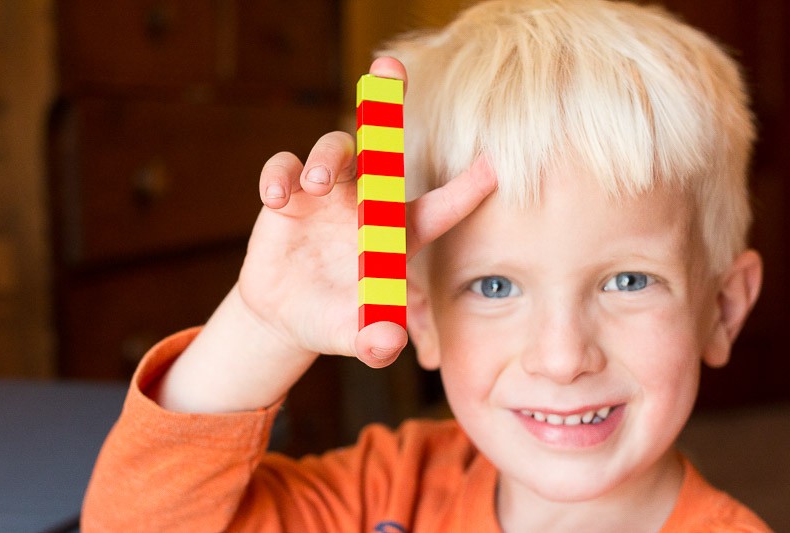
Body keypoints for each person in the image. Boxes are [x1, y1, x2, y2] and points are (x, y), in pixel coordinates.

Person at [81, 1, 772, 531]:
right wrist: (262, 326)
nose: (563, 357)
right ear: (420, 314)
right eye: (494, 286)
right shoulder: (386, 491)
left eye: (628, 280)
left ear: (724, 307)